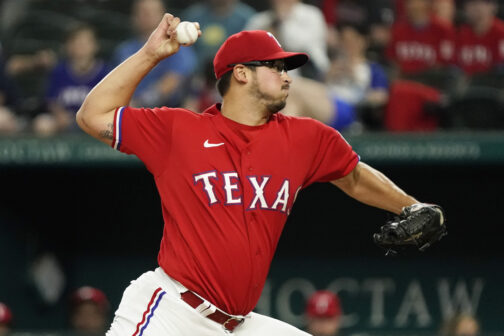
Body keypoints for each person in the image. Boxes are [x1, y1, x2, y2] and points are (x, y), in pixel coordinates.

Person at [76, 13, 442, 335]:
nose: (286, 76)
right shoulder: (179, 130)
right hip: (172, 311)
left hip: (240, 322)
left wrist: (411, 206)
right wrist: (150, 55)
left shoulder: (305, 137)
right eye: (275, 67)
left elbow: (354, 177)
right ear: (241, 73)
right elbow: (92, 116)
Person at [113, 0, 196, 108]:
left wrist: (141, 103)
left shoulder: (176, 46)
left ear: (164, 16)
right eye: (142, 12)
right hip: (130, 109)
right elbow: (117, 84)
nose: (147, 16)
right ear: (134, 17)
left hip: (168, 110)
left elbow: (174, 80)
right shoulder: (124, 50)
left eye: (152, 12)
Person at [32, 23, 110, 135]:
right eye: (76, 42)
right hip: (65, 121)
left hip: (94, 121)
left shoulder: (105, 72)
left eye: (85, 42)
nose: (81, 46)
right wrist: (59, 115)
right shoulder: (59, 71)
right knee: (43, 123)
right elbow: (51, 100)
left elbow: (111, 102)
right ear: (68, 46)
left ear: (95, 45)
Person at [245, 0, 329, 79]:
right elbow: (246, 49)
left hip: (310, 71)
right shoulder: (260, 20)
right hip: (272, 73)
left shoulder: (312, 14)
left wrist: (281, 21)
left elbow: (298, 45)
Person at [386, 0, 455, 77]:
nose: (414, 6)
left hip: (434, 80)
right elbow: (392, 58)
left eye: (418, 2)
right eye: (410, 2)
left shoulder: (442, 29)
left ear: (427, 4)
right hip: (405, 79)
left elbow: (445, 62)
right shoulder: (398, 29)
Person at [181, 0, 256, 71]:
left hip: (233, 74)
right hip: (197, 76)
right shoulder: (193, 16)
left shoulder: (248, 18)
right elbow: (185, 55)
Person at [453, 0, 504, 76]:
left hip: (494, 85)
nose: (474, 8)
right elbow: (454, 67)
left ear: (492, 6)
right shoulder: (460, 34)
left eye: (479, 3)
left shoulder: (501, 33)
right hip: (467, 85)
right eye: (470, 4)